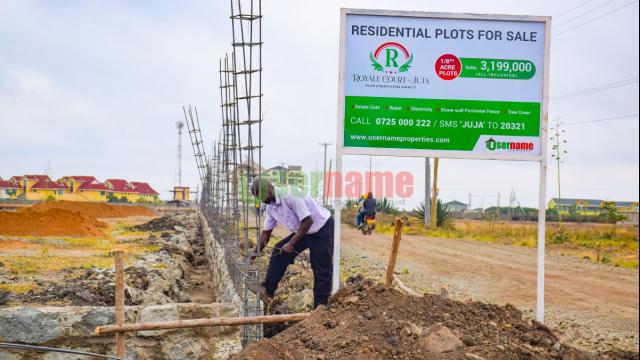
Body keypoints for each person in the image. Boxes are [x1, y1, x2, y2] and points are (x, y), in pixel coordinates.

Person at [250, 177, 334, 308]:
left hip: (321, 228)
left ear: (267, 190)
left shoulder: (289, 194)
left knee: (321, 268)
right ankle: (267, 291)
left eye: (259, 195)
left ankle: (321, 307)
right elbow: (266, 234)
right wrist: (254, 254)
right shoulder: (270, 207)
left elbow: (308, 220)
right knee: (279, 251)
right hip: (304, 230)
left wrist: (292, 243)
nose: (258, 200)